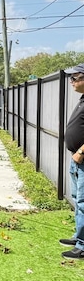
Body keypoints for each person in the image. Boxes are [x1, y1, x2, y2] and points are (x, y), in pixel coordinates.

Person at [61, 63, 84, 260]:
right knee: (78, 199)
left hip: (82, 159)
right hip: (77, 159)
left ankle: (82, 246)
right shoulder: (83, 99)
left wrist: (81, 151)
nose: (72, 81)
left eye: (75, 78)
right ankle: (79, 237)